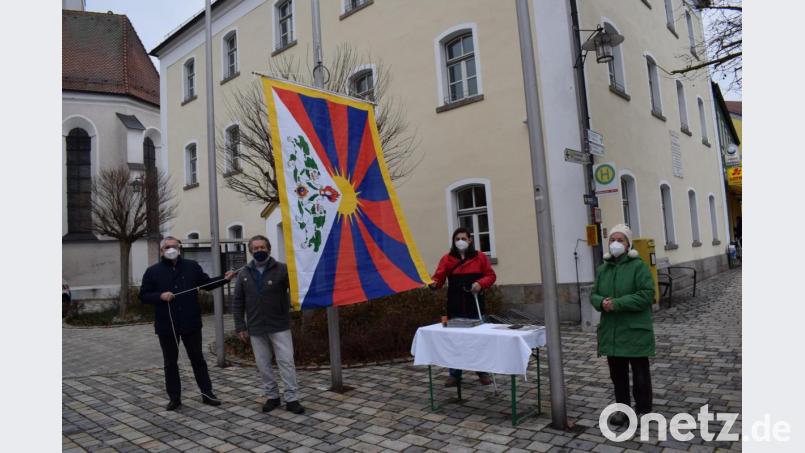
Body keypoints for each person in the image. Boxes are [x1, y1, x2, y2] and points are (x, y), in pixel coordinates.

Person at [139, 236, 235, 411]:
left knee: (198, 359)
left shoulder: (192, 266)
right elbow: (143, 295)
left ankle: (207, 394)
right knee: (170, 362)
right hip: (167, 324)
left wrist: (225, 279)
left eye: (174, 246)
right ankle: (174, 398)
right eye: (167, 247)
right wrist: (159, 296)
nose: (171, 249)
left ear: (180, 248)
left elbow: (206, 284)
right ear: (161, 251)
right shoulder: (152, 271)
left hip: (190, 322)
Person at [591, 224, 656, 427]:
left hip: (635, 330)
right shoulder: (603, 269)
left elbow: (646, 295)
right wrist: (601, 302)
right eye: (612, 240)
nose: (615, 243)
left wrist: (617, 303)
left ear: (628, 244)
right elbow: (593, 294)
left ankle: (644, 410)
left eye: (620, 240)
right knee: (617, 376)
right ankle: (623, 410)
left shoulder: (638, 266)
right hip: (612, 331)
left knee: (640, 375)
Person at [232, 235, 304, 415]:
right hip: (256, 327)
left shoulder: (282, 269)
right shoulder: (244, 274)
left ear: (269, 249)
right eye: (255, 248)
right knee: (263, 364)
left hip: (279, 324)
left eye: (262, 247)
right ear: (250, 251)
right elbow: (238, 301)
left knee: (286, 362)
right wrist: (240, 326)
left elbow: (297, 291)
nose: (259, 251)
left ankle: (292, 398)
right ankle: (272, 396)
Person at [429, 227, 497, 387]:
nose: (460, 241)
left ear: (470, 240)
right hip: (455, 304)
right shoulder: (447, 259)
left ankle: (482, 372)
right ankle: (454, 374)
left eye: (463, 238)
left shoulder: (480, 257)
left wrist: (480, 284)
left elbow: (491, 275)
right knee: (455, 340)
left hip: (475, 303)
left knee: (479, 339)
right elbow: (438, 279)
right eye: (457, 238)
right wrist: (432, 284)